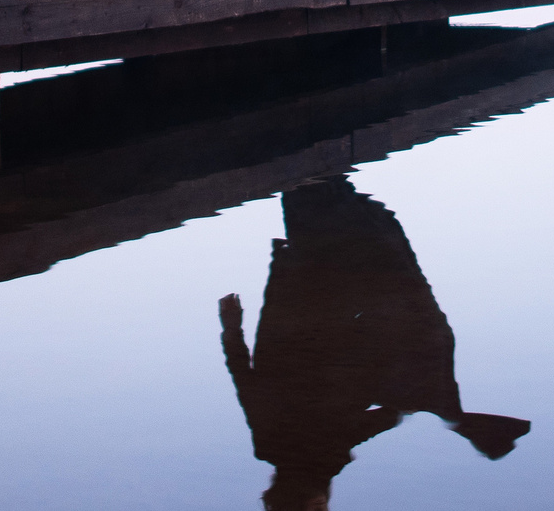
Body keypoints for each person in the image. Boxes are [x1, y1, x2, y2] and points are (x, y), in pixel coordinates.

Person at [219, 177, 530, 509]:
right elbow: (246, 381)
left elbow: (250, 384)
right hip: (302, 319)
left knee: (332, 235)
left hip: (321, 324)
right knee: (317, 228)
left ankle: (322, 180)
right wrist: (232, 329)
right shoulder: (281, 449)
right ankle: (319, 180)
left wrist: (413, 411)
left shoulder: (314, 451)